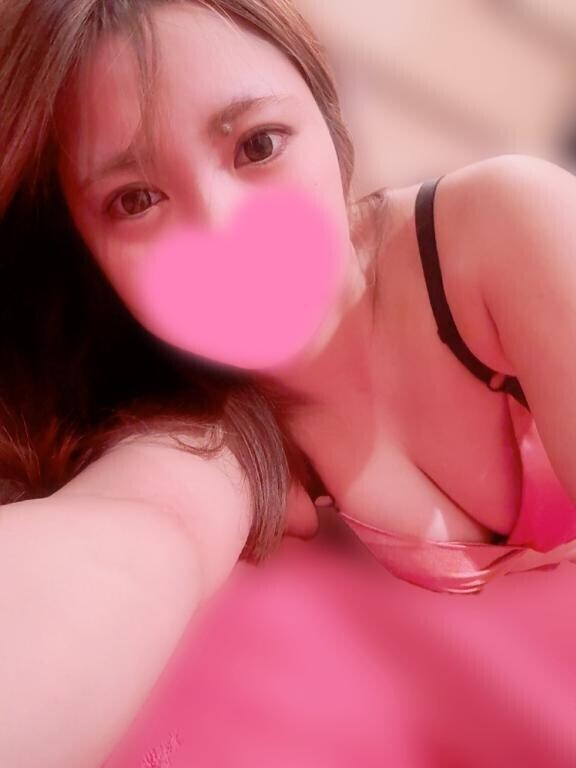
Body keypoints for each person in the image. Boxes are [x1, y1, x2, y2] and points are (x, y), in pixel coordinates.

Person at [2, 0, 576, 765]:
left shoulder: (498, 228)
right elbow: (127, 532)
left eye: (258, 144)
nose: (220, 228)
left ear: (327, 118)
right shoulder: (202, 436)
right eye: (135, 200)